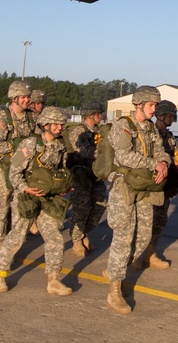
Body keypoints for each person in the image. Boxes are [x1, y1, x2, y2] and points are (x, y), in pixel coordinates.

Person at [0, 105, 74, 296]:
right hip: (27, 197)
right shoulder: (30, 144)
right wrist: (24, 188)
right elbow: (14, 171)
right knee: (17, 236)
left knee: (55, 238)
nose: (59, 128)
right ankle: (0, 275)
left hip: (47, 200)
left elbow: (60, 171)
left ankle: (53, 280)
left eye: (61, 124)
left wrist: (62, 186)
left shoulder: (60, 146)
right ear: (44, 124)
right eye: (55, 124)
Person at [104, 86, 171, 315]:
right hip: (124, 187)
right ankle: (114, 290)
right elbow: (123, 155)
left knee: (143, 236)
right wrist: (154, 164)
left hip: (144, 187)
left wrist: (163, 163)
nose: (154, 109)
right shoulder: (123, 125)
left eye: (155, 105)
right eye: (151, 105)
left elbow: (162, 151)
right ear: (138, 105)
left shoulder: (151, 128)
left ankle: (116, 268)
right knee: (123, 237)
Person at [0, 80, 36, 259]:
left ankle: (11, 245)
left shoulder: (32, 117)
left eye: (28, 97)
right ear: (14, 98)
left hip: (22, 171)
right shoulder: (1, 117)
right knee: (0, 208)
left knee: (19, 209)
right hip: (3, 168)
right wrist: (18, 148)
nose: (27, 101)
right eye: (23, 97)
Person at [65, 101, 106, 256]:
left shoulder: (99, 132)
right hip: (81, 175)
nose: (100, 116)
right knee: (81, 208)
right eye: (98, 113)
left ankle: (84, 233)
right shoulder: (79, 131)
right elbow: (83, 149)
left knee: (99, 205)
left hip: (96, 175)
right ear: (90, 114)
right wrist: (101, 155)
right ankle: (77, 239)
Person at [146, 99, 178, 268]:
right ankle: (140, 255)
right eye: (170, 116)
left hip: (166, 186)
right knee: (148, 222)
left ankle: (150, 253)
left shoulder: (169, 136)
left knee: (160, 221)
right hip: (153, 185)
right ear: (161, 115)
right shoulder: (151, 134)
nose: (172, 119)